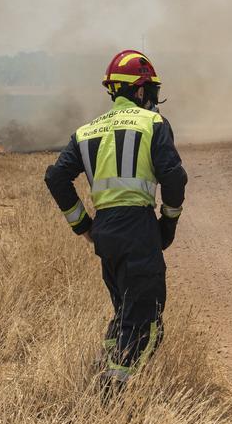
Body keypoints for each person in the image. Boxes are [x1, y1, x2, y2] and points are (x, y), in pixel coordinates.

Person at [44, 49, 188, 392]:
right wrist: (167, 224)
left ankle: (101, 371)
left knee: (126, 311)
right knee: (147, 325)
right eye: (150, 91)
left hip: (106, 232)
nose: (153, 99)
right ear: (139, 91)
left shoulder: (86, 131)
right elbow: (175, 178)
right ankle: (110, 391)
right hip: (139, 228)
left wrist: (84, 227)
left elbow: (56, 178)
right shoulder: (153, 123)